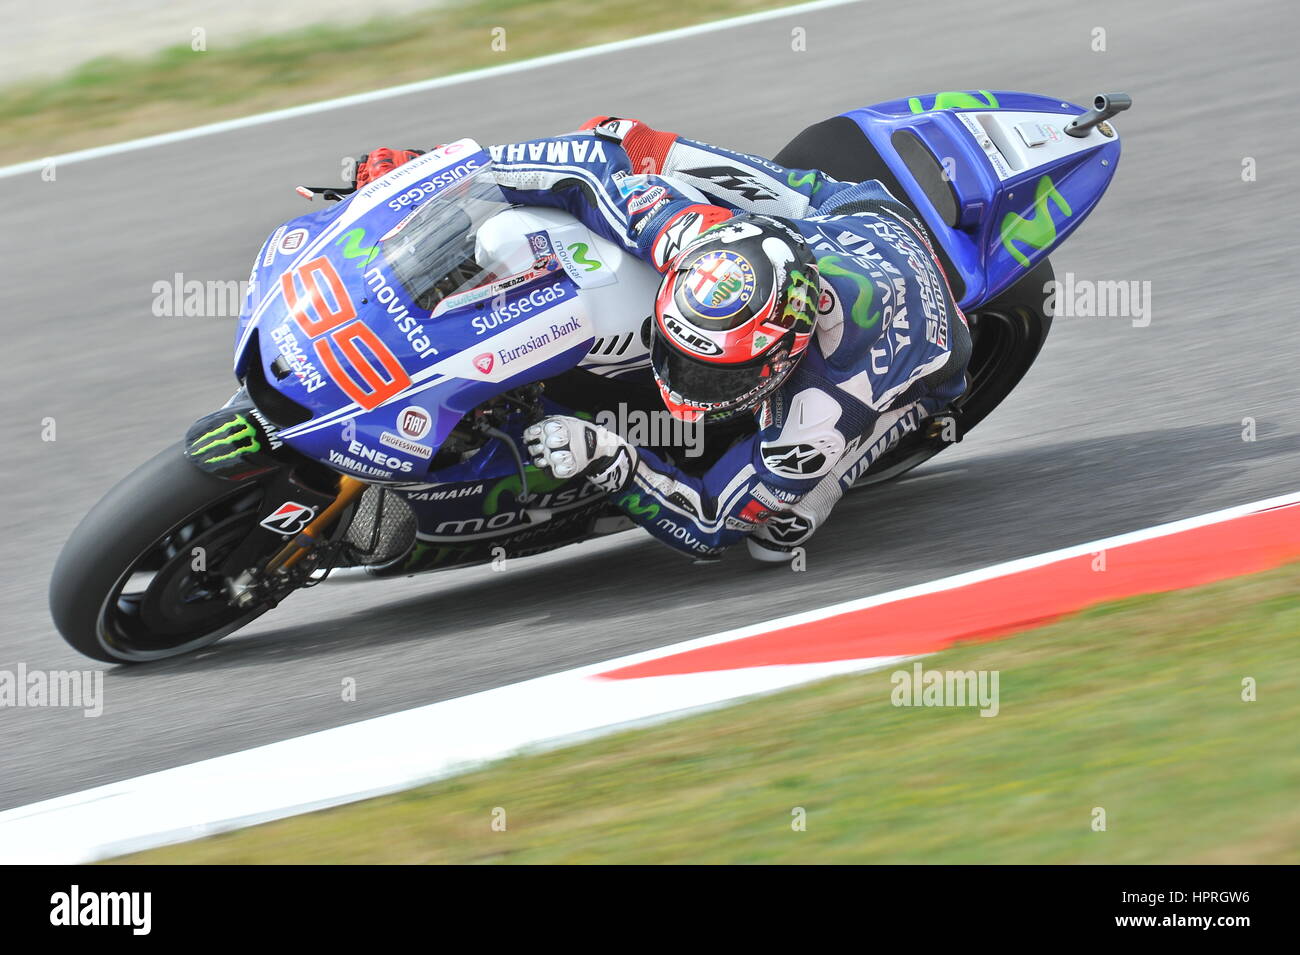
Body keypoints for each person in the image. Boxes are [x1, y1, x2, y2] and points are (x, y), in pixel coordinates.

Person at [351, 117, 970, 561]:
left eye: (712, 374)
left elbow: (710, 526)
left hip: (934, 347)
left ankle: (905, 423)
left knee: (775, 537)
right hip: (850, 213)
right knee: (625, 139)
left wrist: (613, 462)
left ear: (783, 358)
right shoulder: (692, 235)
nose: (676, 379)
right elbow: (580, 171)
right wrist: (435, 182)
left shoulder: (826, 406)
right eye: (678, 352)